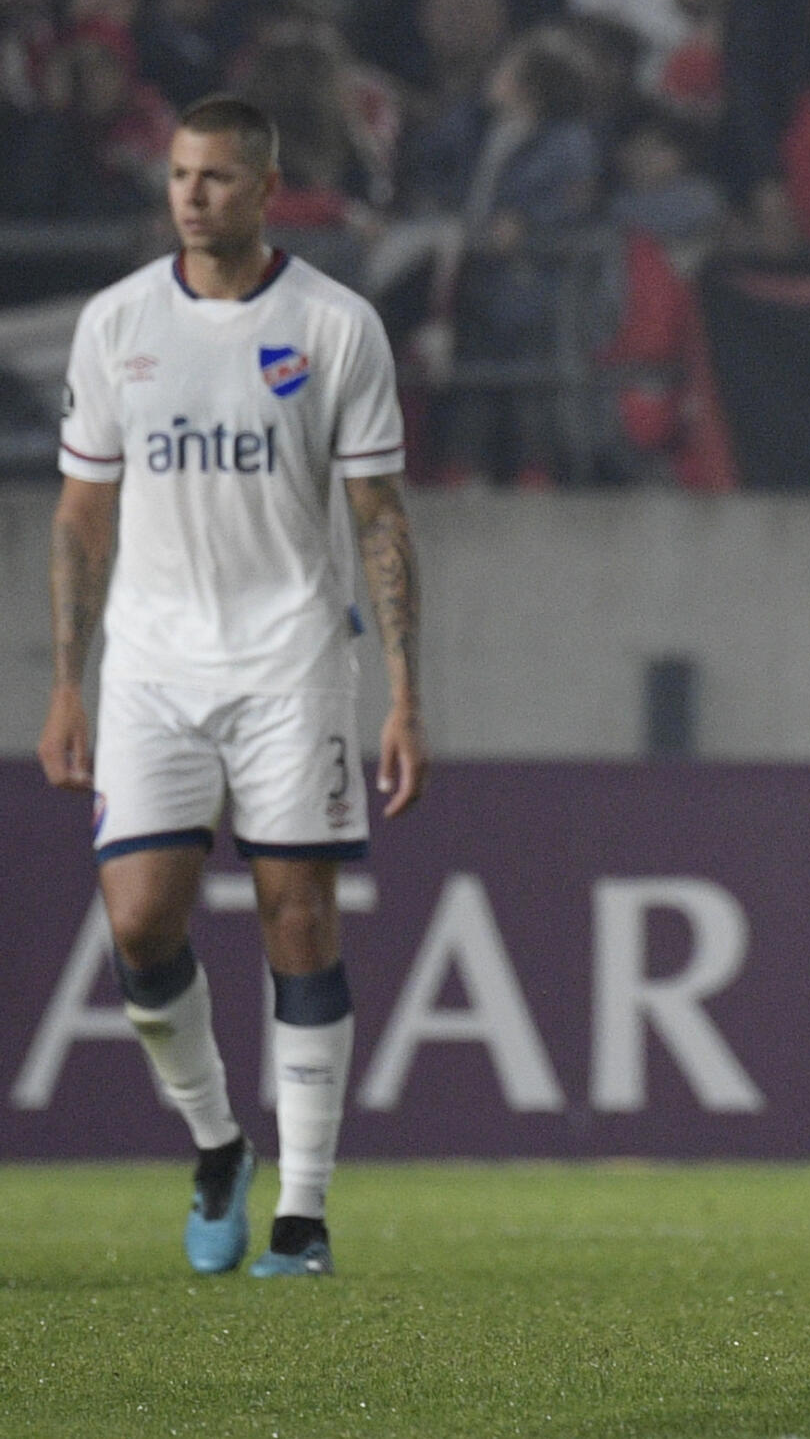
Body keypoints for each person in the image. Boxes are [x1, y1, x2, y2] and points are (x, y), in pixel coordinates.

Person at [40, 94, 427, 1279]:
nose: (191, 195)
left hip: (291, 658)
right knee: (140, 920)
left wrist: (404, 689)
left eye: (214, 177)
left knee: (295, 918)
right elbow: (82, 514)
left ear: (265, 188)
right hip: (152, 665)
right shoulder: (116, 325)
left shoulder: (334, 324)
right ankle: (217, 1140)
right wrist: (68, 681)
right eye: (178, 175)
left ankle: (302, 1213)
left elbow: (378, 517)